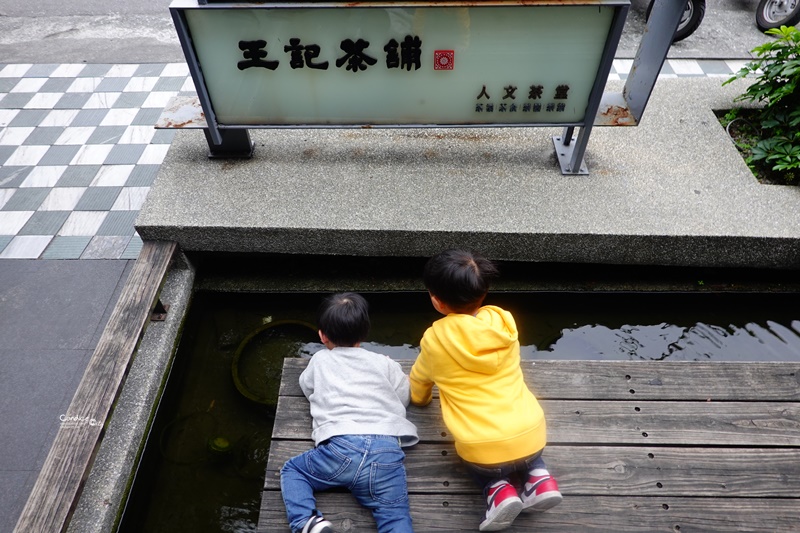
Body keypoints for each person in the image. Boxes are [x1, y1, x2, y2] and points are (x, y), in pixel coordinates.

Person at [409, 249, 562, 532]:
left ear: (437, 301)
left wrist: (418, 399)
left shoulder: (435, 339)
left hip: (482, 449)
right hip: (533, 432)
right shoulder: (503, 322)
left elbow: (420, 380)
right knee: (525, 450)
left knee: (486, 470)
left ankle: (498, 491)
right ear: (484, 291)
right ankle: (539, 477)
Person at [280, 292, 419, 533]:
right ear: (364, 333)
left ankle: (307, 522)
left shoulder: (320, 360)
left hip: (340, 449)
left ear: (322, 336)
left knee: (293, 471)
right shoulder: (384, 363)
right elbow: (404, 397)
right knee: (395, 517)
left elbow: (306, 386)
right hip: (386, 451)